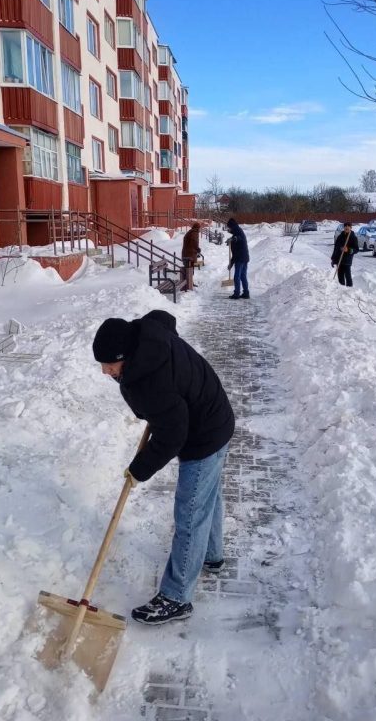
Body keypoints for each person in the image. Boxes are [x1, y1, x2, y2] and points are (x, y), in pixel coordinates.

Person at [93, 310, 235, 625]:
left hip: (204, 435)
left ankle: (176, 597)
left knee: (190, 514)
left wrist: (140, 468)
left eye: (109, 365)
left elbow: (173, 434)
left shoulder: (151, 380)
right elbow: (162, 318)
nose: (105, 372)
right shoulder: (149, 336)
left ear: (125, 356)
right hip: (217, 415)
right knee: (208, 496)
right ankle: (211, 557)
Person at [225, 217, 250, 299]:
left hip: (240, 258)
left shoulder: (237, 232)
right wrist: (231, 263)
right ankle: (246, 293)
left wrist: (233, 239)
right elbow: (235, 252)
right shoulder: (237, 231)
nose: (228, 229)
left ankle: (236, 294)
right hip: (243, 257)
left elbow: (239, 238)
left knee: (237, 276)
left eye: (228, 227)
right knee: (243, 275)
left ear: (231, 226)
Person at [331, 221, 360, 287]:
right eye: (345, 226)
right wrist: (333, 259)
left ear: (351, 228)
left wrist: (348, 250)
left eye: (348, 226)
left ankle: (350, 291)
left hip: (347, 260)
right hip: (339, 260)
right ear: (344, 227)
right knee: (340, 277)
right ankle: (342, 291)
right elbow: (335, 249)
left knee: (348, 276)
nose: (347, 227)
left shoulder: (353, 238)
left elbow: (356, 249)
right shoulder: (340, 237)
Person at [181, 222, 201, 291]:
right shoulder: (194, 233)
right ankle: (189, 284)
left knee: (189, 268)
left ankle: (190, 282)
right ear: (197, 228)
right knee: (190, 269)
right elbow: (194, 242)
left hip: (188, 254)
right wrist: (198, 249)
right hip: (190, 255)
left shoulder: (190, 232)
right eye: (199, 228)